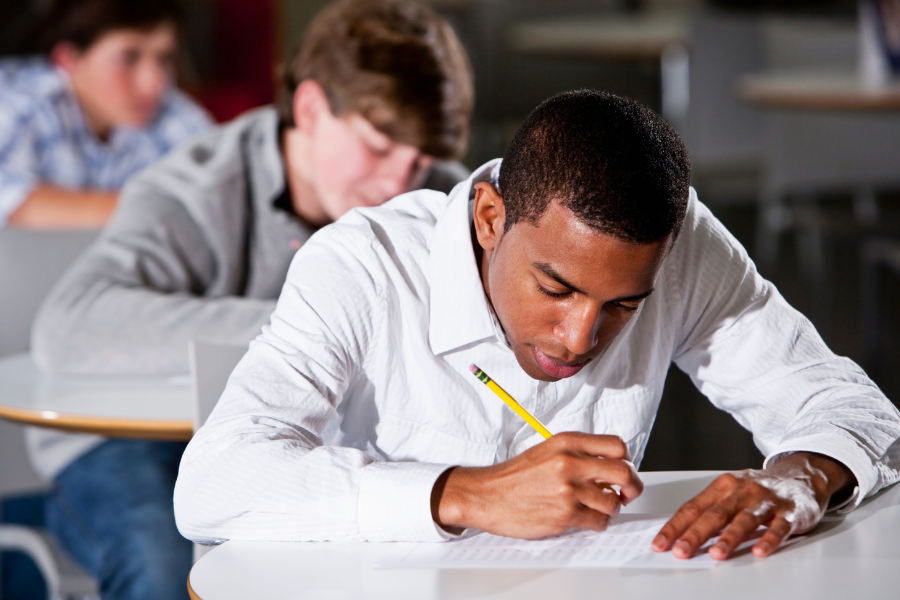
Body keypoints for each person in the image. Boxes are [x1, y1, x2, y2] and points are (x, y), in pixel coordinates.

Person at [173, 90, 899, 562]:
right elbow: (213, 482)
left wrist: (802, 478)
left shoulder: (682, 247)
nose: (579, 338)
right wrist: (465, 492)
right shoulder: (362, 264)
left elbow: (855, 409)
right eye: (555, 287)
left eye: (625, 306)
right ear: (491, 219)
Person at [30, 1, 473, 598]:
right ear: (312, 108)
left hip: (313, 442)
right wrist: (317, 323)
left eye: (419, 160)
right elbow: (71, 327)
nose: (399, 182)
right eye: (377, 146)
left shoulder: (437, 191)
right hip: (137, 443)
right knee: (161, 560)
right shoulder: (195, 187)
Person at [0, 0, 212, 228]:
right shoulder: (16, 101)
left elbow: (220, 196)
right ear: (67, 59)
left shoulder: (173, 111)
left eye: (164, 58)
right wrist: (157, 209)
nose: (153, 83)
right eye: (129, 58)